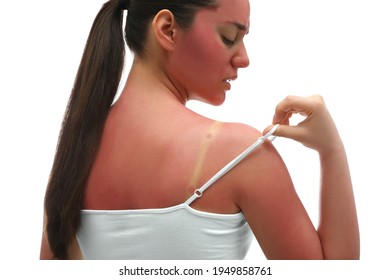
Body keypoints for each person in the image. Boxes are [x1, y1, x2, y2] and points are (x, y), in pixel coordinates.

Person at [40, 0, 359, 260]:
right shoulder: (239, 153)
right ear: (168, 30)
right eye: (230, 37)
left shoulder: (76, 151)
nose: (244, 58)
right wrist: (332, 151)